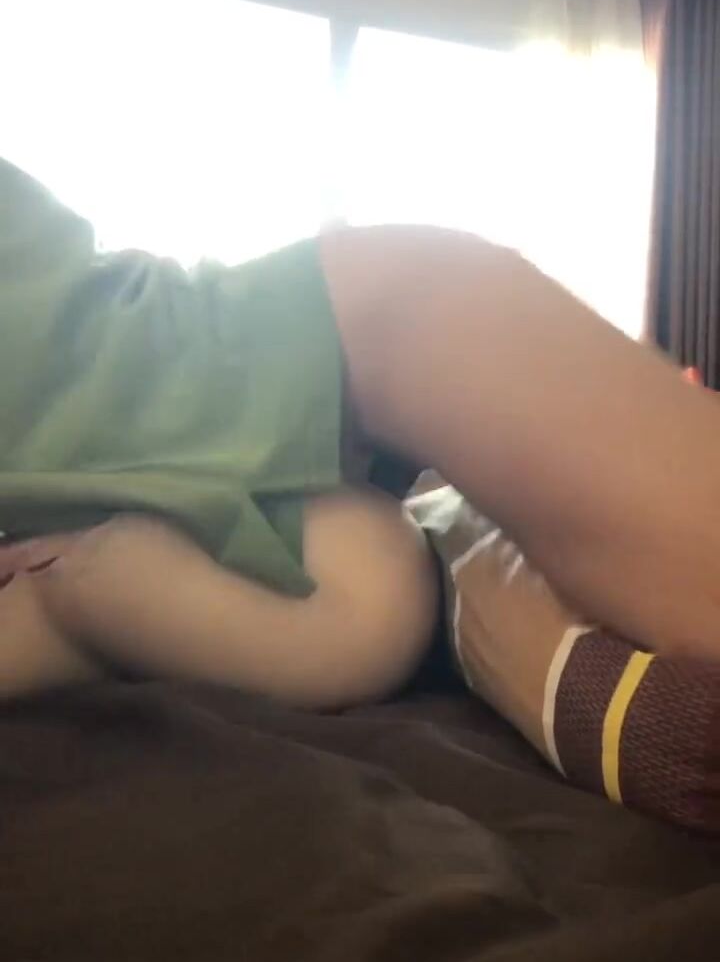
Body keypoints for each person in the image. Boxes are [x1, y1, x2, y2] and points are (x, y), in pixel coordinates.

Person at [1, 153, 719, 714]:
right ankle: (65, 600)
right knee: (374, 599)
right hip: (314, 343)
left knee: (375, 589)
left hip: (220, 354)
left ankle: (65, 599)